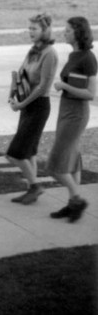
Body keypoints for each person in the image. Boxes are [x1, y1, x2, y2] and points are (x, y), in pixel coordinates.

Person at [47, 16, 97, 222]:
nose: (64, 33)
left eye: (67, 30)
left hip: (76, 113)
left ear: (78, 32)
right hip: (66, 110)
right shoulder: (74, 55)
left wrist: (64, 86)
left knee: (54, 165)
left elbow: (91, 93)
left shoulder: (88, 58)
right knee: (73, 161)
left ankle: (77, 199)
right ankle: (72, 205)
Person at [6, 13, 58, 204]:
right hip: (26, 104)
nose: (30, 32)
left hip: (38, 107)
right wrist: (12, 93)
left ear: (45, 30)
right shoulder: (34, 50)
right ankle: (31, 191)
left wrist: (21, 104)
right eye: (29, 28)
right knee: (30, 152)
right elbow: (21, 74)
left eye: (34, 28)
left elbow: (43, 86)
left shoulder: (50, 53)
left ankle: (35, 186)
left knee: (15, 153)